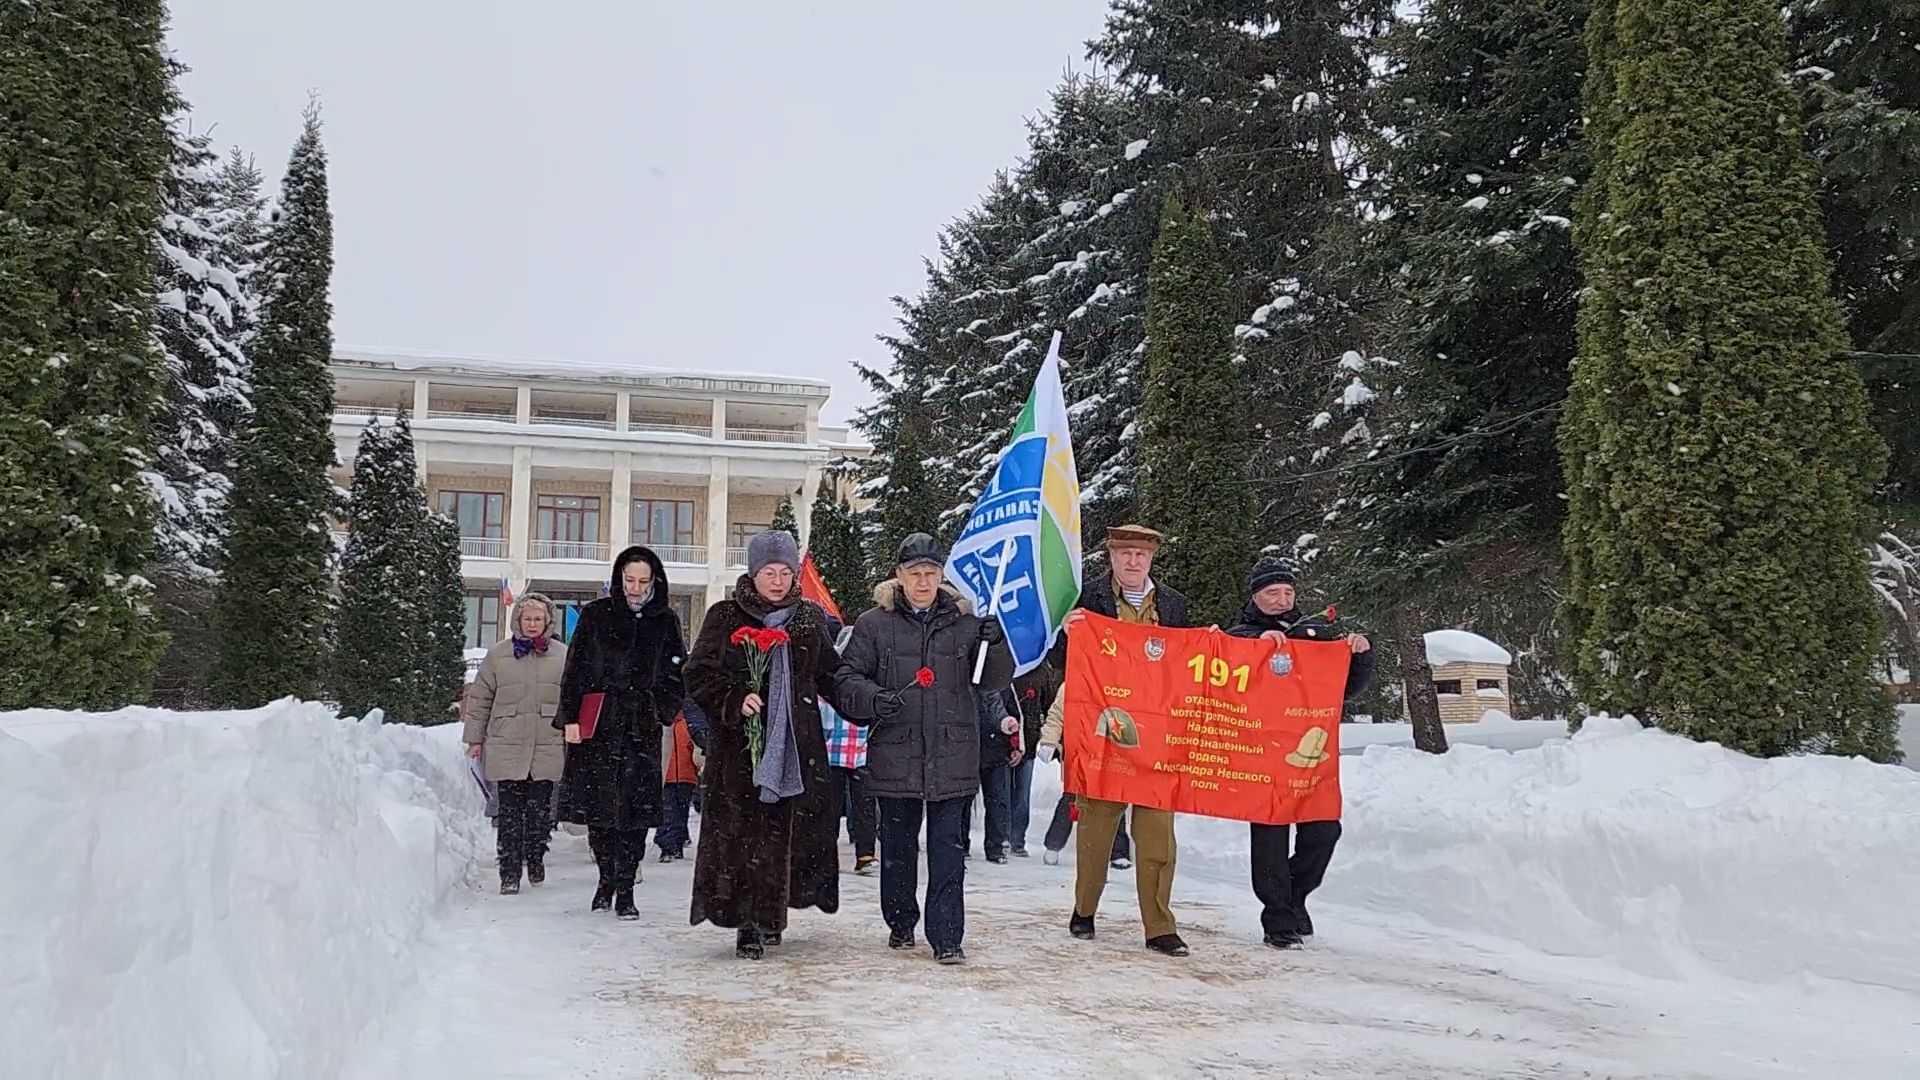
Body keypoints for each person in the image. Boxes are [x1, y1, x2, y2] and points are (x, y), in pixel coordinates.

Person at [835, 532, 1015, 965]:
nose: (922, 581)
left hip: (953, 756)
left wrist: (998, 641)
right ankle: (900, 922)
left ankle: (947, 936)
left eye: (930, 572)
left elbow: (993, 680)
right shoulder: (873, 624)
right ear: (898, 576)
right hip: (895, 753)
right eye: (914, 573)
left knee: (948, 853)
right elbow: (846, 680)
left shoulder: (967, 624)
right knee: (898, 849)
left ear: (941, 576)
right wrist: (874, 698)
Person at [685, 530, 844, 960]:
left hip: (796, 747)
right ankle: (748, 925)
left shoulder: (809, 619)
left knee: (784, 834)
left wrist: (871, 701)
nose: (777, 580)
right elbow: (698, 674)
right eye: (768, 572)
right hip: (740, 752)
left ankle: (772, 918)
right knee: (744, 837)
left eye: (785, 572)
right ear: (753, 574)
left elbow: (832, 675)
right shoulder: (725, 616)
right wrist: (735, 698)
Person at [1038, 524, 1192, 957]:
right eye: (1124, 553)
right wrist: (1065, 634)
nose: (1132, 561)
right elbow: (1057, 664)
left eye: (1140, 555)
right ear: (1111, 557)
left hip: (1158, 738)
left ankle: (1159, 926)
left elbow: (1190, 666)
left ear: (1151, 560)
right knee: (1096, 831)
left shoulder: (1174, 605)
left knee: (1158, 837)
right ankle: (1085, 909)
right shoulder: (1089, 601)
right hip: (1104, 734)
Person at [1224, 556, 1374, 949]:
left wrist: (1359, 655)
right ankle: (1278, 920)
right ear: (1256, 596)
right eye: (1272, 592)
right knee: (1271, 837)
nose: (1281, 599)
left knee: (1324, 830)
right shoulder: (1239, 633)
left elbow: (1343, 690)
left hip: (1311, 753)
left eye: (1287, 592)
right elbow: (1222, 675)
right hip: (1262, 753)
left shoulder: (1315, 634)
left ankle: (1294, 898)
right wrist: (1256, 648)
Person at [555, 546, 687, 920]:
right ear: (618, 578)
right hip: (599, 724)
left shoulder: (665, 621)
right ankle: (605, 880)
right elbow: (576, 667)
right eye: (629, 579)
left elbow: (678, 672)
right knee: (599, 812)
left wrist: (662, 707)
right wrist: (570, 717)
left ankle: (626, 888)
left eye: (643, 581)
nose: (635, 587)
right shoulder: (596, 615)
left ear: (655, 581)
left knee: (636, 813)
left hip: (640, 728)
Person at [464, 592, 568, 894]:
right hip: (506, 742)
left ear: (547, 621)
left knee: (539, 812)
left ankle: (535, 857)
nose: (533, 624)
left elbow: (573, 699)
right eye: (527, 618)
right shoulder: (498, 655)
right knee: (508, 813)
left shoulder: (562, 655)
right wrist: (474, 738)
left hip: (546, 744)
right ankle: (508, 871)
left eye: (538, 618)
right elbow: (481, 699)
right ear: (517, 621)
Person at [1005, 660, 1058, 858]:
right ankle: (1001, 837)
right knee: (1001, 794)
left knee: (1021, 795)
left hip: (1028, 740)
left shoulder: (1041, 669)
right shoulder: (1004, 663)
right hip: (1001, 739)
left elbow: (1047, 704)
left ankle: (1016, 840)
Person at [656, 699, 706, 863]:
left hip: (684, 777)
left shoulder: (685, 724)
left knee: (679, 809)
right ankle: (669, 845)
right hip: (671, 776)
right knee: (670, 810)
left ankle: (676, 840)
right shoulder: (678, 725)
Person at [974, 684, 1019, 863]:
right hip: (968, 749)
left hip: (997, 750)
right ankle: (961, 844)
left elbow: (1013, 713)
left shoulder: (1002, 682)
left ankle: (997, 846)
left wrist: (1016, 746)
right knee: (962, 801)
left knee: (998, 801)